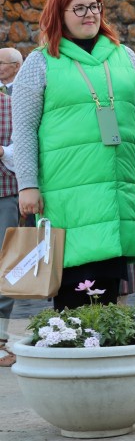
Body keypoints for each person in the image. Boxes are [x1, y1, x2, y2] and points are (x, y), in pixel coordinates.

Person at [13, 0, 135, 311]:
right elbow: (24, 129)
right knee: (72, 286)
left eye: (94, 6)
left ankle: (102, 343)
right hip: (66, 194)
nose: (89, 14)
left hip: (116, 190)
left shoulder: (124, 57)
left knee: (108, 286)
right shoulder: (40, 62)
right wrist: (28, 184)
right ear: (59, 14)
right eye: (78, 8)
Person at [0, 89, 17, 367]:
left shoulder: (9, 104)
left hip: (4, 193)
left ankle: (0, 340)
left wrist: (3, 151)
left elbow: (24, 147)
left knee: (6, 266)